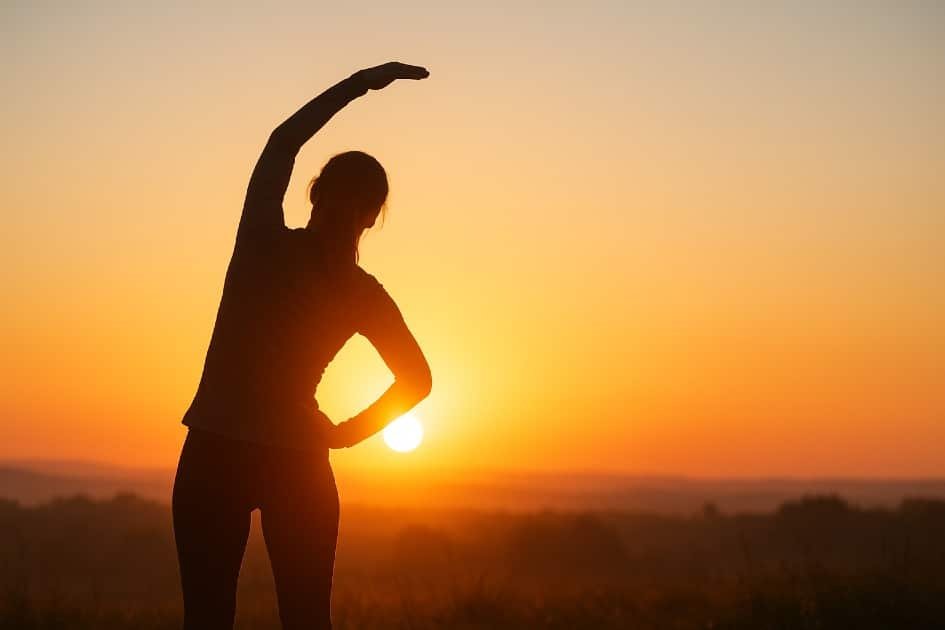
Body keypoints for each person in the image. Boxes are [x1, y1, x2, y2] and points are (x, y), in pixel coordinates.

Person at [171, 62, 432, 630]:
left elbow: (282, 141)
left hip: (232, 453)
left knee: (227, 617)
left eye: (349, 201)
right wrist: (342, 434)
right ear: (372, 216)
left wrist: (343, 434)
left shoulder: (267, 244)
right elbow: (418, 380)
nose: (343, 210)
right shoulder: (334, 278)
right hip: (260, 454)